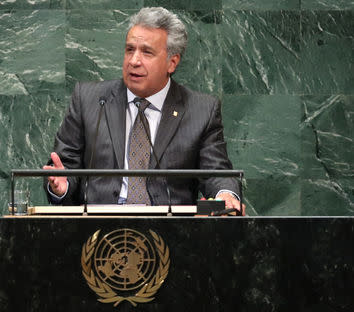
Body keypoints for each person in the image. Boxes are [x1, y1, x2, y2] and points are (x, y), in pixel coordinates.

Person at [43, 7, 244, 214]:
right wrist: (62, 186)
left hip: (171, 230)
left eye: (147, 52)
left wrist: (225, 195)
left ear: (172, 63)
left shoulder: (201, 110)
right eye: (130, 50)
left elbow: (217, 172)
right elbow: (64, 166)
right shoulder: (89, 100)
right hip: (98, 227)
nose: (134, 61)